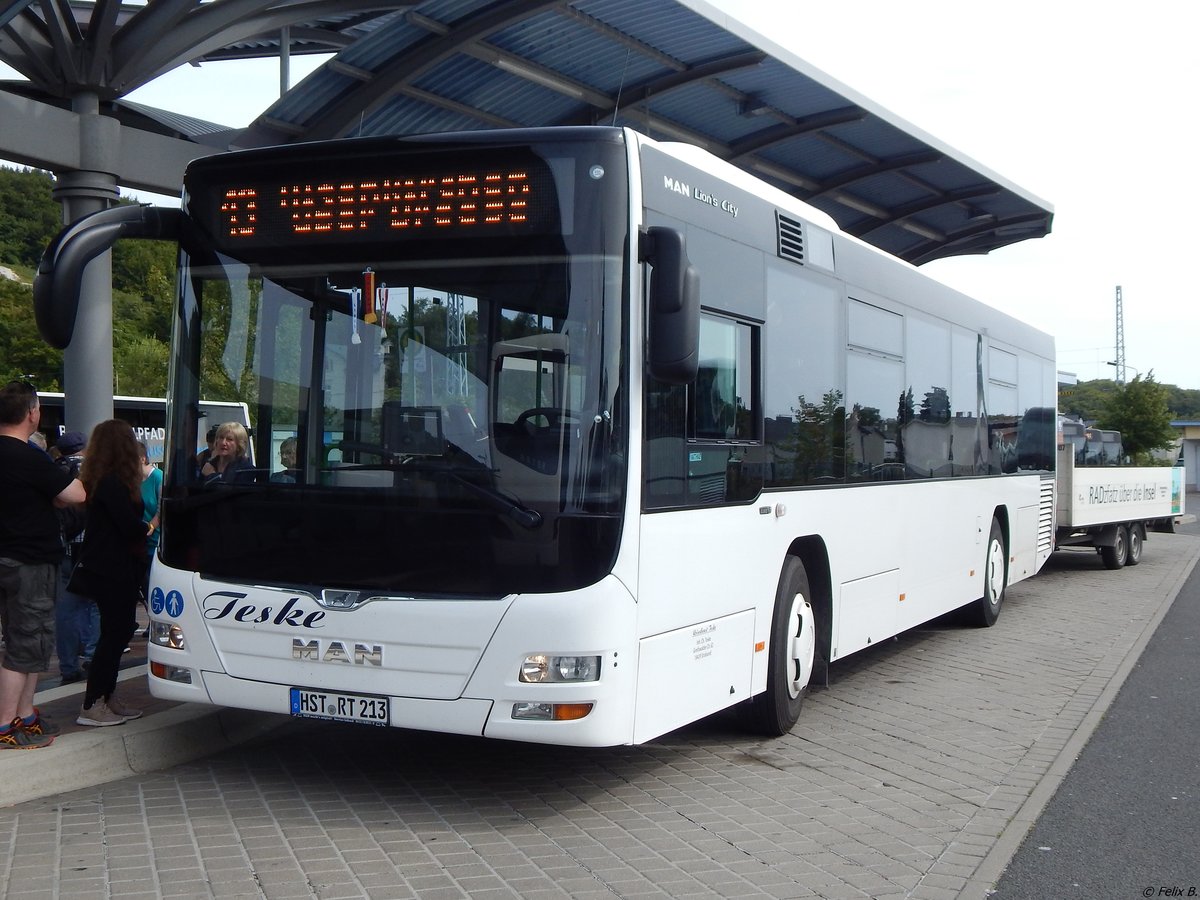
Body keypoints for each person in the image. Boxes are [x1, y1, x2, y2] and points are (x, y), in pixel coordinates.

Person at [0, 380, 86, 748]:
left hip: (6, 557)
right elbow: (75, 494)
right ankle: (5, 724)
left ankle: (26, 714)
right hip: (29, 561)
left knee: (28, 640)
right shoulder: (27, 456)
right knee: (27, 642)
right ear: (32, 413)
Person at [74, 419, 149, 727]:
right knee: (115, 633)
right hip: (112, 569)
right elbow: (130, 527)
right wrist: (148, 527)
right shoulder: (113, 484)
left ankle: (106, 696)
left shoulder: (102, 480)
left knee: (116, 632)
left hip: (111, 567)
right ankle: (93, 702)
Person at [54, 429, 99, 686]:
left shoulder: (53, 469)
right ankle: (92, 655)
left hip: (63, 547)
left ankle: (67, 665)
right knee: (96, 604)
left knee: (66, 610)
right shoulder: (92, 471)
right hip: (88, 547)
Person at [137, 440, 162, 606]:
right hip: (138, 540)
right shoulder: (132, 480)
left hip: (153, 541)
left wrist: (150, 527)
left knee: (153, 583)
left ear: (142, 459)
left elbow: (162, 509)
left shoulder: (158, 477)